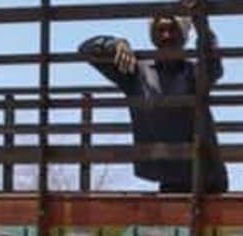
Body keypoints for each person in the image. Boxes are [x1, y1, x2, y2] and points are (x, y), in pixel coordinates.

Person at [79, 0, 229, 194]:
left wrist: (200, 23)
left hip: (208, 177)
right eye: (160, 30)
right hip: (170, 179)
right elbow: (85, 49)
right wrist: (114, 43)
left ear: (183, 35)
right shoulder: (135, 71)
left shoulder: (194, 73)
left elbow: (213, 64)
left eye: (172, 29)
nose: (166, 35)